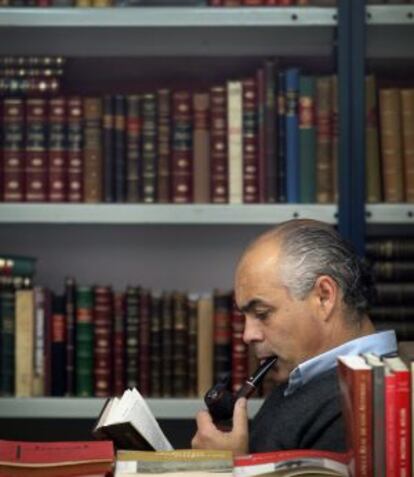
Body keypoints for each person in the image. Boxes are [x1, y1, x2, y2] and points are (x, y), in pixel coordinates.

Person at [191, 218, 398, 455]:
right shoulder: (301, 377)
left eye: (262, 313)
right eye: (245, 317)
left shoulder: (363, 402)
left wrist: (230, 466)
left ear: (324, 296)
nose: (248, 335)